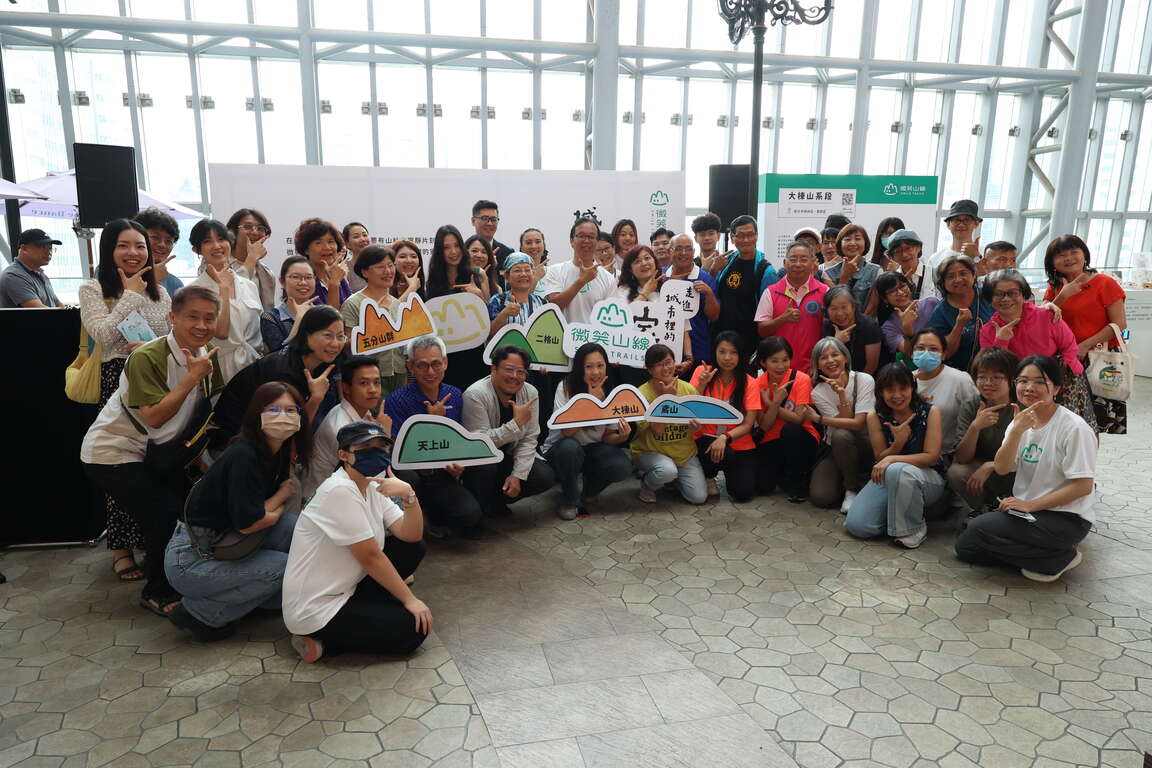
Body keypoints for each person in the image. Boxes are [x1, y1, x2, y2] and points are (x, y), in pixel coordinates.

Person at [80, 286, 225, 616]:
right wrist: (191, 378)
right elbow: (155, 416)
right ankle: (157, 592)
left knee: (186, 509)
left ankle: (170, 574)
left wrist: (205, 464)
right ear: (172, 318)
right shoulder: (147, 356)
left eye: (209, 318)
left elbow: (202, 414)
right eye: (193, 317)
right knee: (163, 517)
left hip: (154, 452)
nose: (202, 325)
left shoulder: (208, 354)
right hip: (111, 453)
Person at [165, 381, 310, 642]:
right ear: (256, 414)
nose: (283, 417)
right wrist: (282, 496)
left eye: (291, 410)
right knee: (282, 566)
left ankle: (251, 597)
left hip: (226, 538)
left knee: (293, 529)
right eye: (273, 409)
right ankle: (200, 612)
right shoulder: (243, 454)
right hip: (193, 559)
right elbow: (250, 523)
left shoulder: (275, 449)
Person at [283, 420, 431, 662]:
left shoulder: (371, 485)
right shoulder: (339, 490)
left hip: (346, 587)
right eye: (365, 449)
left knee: (412, 548)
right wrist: (410, 600)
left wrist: (409, 495)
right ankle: (319, 641)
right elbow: (370, 557)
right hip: (315, 606)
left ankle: (366, 613)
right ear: (343, 454)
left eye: (381, 448)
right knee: (411, 631)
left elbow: (411, 535)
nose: (376, 453)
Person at [79, 219, 172, 583]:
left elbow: (166, 339)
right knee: (120, 464)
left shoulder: (160, 293)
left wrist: (149, 345)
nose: (133, 253)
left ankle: (153, 540)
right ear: (109, 249)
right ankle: (120, 549)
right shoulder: (92, 288)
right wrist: (130, 294)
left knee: (151, 465)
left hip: (152, 381)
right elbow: (102, 335)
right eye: (124, 245)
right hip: (113, 381)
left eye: (139, 246)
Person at [955, 355, 1097, 582]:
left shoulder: (1074, 428)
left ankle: (1060, 554)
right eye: (1022, 381)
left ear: (1057, 388)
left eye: (1040, 382)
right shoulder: (1019, 422)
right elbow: (1002, 468)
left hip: (1065, 518)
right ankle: (1050, 558)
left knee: (978, 530)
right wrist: (1016, 432)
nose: (1029, 388)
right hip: (1027, 513)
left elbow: (1082, 486)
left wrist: (1030, 504)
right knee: (967, 548)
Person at [385, 335, 482, 537]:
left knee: (470, 515)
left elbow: (460, 439)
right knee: (409, 479)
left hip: (443, 475)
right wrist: (429, 423)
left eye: (436, 364)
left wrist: (459, 465)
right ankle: (418, 517)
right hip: (412, 476)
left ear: (445, 363)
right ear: (410, 366)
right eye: (422, 365)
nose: (430, 372)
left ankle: (435, 513)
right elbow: (398, 451)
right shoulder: (396, 399)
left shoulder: (455, 394)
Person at [978, 267, 1095, 430]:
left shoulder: (1046, 316)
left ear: (1023, 294)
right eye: (998, 294)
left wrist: (1056, 381)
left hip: (1060, 383)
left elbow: (1069, 346)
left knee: (1069, 431)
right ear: (990, 299)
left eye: (1013, 293)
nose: (1006, 299)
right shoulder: (988, 331)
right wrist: (1001, 341)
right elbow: (992, 367)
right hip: (1017, 391)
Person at [844, 362, 945, 549]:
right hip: (888, 476)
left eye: (903, 388)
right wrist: (898, 443)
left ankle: (912, 529)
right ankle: (897, 518)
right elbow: (880, 455)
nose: (897, 395)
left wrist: (891, 459)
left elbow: (931, 457)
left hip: (927, 478)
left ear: (912, 387)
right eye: (890, 389)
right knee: (858, 526)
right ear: (880, 392)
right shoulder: (875, 415)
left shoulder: (930, 411)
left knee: (898, 469)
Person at [213, 305, 344, 440]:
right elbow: (288, 430)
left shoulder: (321, 362)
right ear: (306, 335)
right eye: (327, 335)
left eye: (340, 336)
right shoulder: (282, 371)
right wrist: (315, 399)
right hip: (233, 439)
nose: (335, 343)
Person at [461, 346, 556, 518]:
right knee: (486, 466)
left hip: (509, 456)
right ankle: (478, 511)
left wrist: (517, 475)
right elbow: (478, 444)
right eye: (509, 369)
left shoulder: (530, 392)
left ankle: (496, 502)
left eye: (521, 372)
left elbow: (530, 438)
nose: (514, 377)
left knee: (544, 475)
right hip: (480, 462)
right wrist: (515, 424)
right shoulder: (475, 395)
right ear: (494, 369)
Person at [543, 342, 634, 519]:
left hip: (592, 449)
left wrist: (622, 436)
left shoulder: (610, 390)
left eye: (600, 365)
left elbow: (607, 436)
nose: (595, 372)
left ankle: (589, 491)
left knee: (622, 464)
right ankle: (569, 499)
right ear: (579, 368)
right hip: (561, 449)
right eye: (589, 366)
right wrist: (590, 402)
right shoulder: (565, 387)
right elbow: (567, 433)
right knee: (570, 447)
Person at [803, 337, 875, 513]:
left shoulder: (864, 379)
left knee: (841, 435)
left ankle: (852, 488)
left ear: (845, 357)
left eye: (835, 355)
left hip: (865, 444)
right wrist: (842, 396)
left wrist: (819, 419)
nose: (830, 361)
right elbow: (845, 423)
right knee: (821, 497)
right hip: (835, 448)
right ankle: (851, 483)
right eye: (823, 357)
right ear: (817, 365)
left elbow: (857, 424)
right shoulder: (818, 392)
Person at [948, 347, 1019, 522]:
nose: (988, 382)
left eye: (996, 377)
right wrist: (975, 427)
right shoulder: (972, 405)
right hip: (983, 469)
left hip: (1019, 469)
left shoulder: (1021, 405)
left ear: (1011, 379)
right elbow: (962, 458)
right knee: (957, 472)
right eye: (982, 376)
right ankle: (985, 509)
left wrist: (992, 465)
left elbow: (1031, 456)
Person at [187, 219, 262, 384]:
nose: (217, 246)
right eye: (207, 241)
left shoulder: (248, 285)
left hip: (255, 366)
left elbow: (259, 331)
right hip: (219, 371)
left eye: (221, 239)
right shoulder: (193, 291)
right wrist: (224, 291)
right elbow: (221, 333)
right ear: (196, 249)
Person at [631, 344, 707, 505]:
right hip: (650, 452)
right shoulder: (641, 394)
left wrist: (696, 427)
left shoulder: (688, 390)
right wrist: (667, 399)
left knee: (698, 497)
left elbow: (697, 426)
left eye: (668, 362)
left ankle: (672, 479)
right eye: (659, 365)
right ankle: (648, 483)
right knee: (667, 470)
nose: (665, 368)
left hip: (683, 454)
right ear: (650, 370)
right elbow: (658, 431)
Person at [690, 332, 760, 502]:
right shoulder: (702, 372)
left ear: (740, 354)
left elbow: (749, 424)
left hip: (737, 442)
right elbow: (690, 407)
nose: (727, 358)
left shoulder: (750, 382)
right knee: (720, 452)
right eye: (722, 352)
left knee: (743, 493)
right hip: (703, 438)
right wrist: (702, 383)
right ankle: (708, 475)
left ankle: (729, 472)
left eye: (733, 352)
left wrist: (725, 437)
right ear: (714, 352)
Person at [304, 355, 384, 499]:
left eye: (377, 383)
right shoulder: (342, 428)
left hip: (350, 489)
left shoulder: (362, 409)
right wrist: (384, 433)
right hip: (327, 498)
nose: (373, 390)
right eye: (364, 383)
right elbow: (373, 474)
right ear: (346, 387)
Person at [754, 337, 820, 502]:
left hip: (802, 437)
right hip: (772, 439)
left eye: (785, 360)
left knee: (790, 430)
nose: (781, 366)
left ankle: (798, 482)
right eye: (774, 361)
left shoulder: (801, 379)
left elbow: (798, 419)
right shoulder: (758, 384)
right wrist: (775, 402)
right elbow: (764, 426)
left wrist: (771, 404)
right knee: (763, 486)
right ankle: (784, 475)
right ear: (763, 362)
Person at [340, 245, 408, 395]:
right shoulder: (353, 303)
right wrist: (373, 327)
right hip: (369, 377)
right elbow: (348, 346)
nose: (388, 271)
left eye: (391, 265)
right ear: (365, 272)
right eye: (380, 267)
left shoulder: (397, 304)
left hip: (400, 372)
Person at [754, 240, 828, 372]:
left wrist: (819, 366)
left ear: (812, 263)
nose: (798, 264)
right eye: (793, 259)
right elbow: (762, 330)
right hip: (778, 371)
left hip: (813, 370)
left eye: (804, 259)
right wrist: (782, 319)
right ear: (785, 263)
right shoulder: (771, 292)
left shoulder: (824, 292)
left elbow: (828, 332)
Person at [714, 215, 778, 360]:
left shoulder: (766, 271)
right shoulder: (726, 262)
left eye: (750, 235)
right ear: (732, 238)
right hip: (721, 337)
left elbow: (769, 313)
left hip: (749, 341)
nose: (746, 240)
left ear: (756, 236)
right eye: (740, 235)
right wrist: (712, 271)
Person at [910, 329, 978, 454]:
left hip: (949, 452)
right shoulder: (906, 381)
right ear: (912, 353)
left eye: (933, 349)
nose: (926, 353)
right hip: (912, 452)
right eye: (920, 348)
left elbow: (975, 414)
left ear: (943, 354)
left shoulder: (960, 379)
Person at [538, 216, 617, 323]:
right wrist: (582, 281)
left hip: (595, 339)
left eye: (591, 236)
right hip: (564, 338)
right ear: (571, 240)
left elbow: (612, 318)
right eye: (581, 236)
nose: (586, 240)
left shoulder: (607, 278)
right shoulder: (555, 271)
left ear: (597, 241)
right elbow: (553, 307)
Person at [665, 232, 719, 373]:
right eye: (678, 248)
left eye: (688, 249)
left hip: (698, 348)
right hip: (665, 349)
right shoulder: (661, 275)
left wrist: (709, 294)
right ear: (670, 251)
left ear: (694, 252)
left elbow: (713, 316)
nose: (683, 253)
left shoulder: (705, 278)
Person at [929, 254, 992, 372]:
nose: (958, 279)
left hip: (993, 369)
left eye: (963, 273)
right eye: (951, 276)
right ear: (943, 283)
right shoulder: (941, 311)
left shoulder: (989, 297)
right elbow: (945, 353)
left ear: (973, 275)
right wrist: (959, 325)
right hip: (957, 375)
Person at [865, 230, 938, 318]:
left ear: (918, 248)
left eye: (908, 248)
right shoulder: (891, 281)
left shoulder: (935, 274)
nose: (904, 254)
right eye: (898, 251)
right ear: (892, 257)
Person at [875, 271, 941, 360]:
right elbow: (910, 353)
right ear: (885, 299)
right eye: (892, 291)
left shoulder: (932, 303)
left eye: (902, 286)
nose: (900, 292)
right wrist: (907, 329)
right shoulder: (889, 327)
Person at [260, 256, 317, 354]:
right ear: (282, 281)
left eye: (308, 277)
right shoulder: (271, 317)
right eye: (295, 277)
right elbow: (278, 356)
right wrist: (299, 320)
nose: (303, 282)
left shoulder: (322, 313)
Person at [822, 286, 882, 375]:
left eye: (844, 307)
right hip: (837, 378)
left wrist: (855, 385)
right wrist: (836, 342)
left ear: (853, 307)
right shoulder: (827, 325)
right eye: (834, 308)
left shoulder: (869, 326)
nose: (839, 313)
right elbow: (824, 360)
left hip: (865, 379)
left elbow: (871, 366)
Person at [225, 208, 277, 309]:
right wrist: (252, 259)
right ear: (232, 232)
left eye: (260, 228)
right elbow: (235, 297)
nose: (255, 232)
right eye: (247, 227)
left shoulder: (266, 274)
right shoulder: (219, 265)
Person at [823, 224, 881, 312]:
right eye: (847, 239)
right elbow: (837, 303)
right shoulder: (828, 273)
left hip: (867, 324)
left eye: (857, 239)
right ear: (840, 244)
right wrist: (845, 276)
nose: (852, 243)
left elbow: (873, 307)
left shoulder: (876, 271)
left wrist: (861, 324)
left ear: (865, 243)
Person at [295, 217, 350, 309]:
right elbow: (328, 320)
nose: (327, 247)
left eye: (331, 241)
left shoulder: (340, 277)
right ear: (306, 249)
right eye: (318, 243)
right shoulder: (303, 282)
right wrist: (333, 284)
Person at [488, 252, 546, 337]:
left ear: (533, 274)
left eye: (527, 270)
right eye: (517, 270)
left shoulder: (542, 303)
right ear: (507, 276)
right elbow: (489, 334)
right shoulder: (498, 301)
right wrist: (504, 314)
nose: (523, 274)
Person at [0, 228, 61, 308]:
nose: (49, 252)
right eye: (42, 247)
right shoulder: (13, 276)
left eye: (50, 248)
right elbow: (42, 312)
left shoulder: (41, 275)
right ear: (24, 248)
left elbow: (58, 304)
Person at [135, 207, 185, 300]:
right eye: (155, 237)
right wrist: (152, 280)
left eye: (168, 241)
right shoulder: (112, 273)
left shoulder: (175, 284)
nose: (162, 245)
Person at [927, 199, 983, 270]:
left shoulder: (986, 254)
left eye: (967, 220)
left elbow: (992, 279)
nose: (961, 224)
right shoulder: (935, 259)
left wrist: (976, 257)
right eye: (956, 220)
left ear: (976, 224)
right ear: (948, 224)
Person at [472, 199, 514, 264]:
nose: (489, 223)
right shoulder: (464, 251)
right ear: (473, 221)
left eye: (493, 219)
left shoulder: (507, 253)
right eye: (485, 218)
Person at [342, 221, 372, 293]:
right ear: (347, 243)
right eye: (356, 236)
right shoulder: (344, 268)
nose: (363, 239)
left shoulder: (380, 264)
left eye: (365, 235)